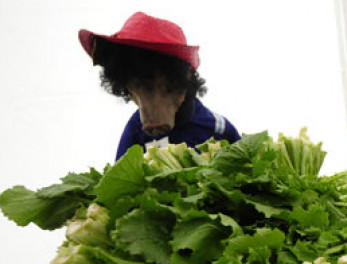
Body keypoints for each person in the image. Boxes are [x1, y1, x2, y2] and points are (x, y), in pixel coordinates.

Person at [78, 12, 241, 160]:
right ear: (128, 90)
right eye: (138, 86)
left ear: (184, 80)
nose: (151, 117)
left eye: (163, 87)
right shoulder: (135, 134)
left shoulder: (218, 129)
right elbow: (119, 184)